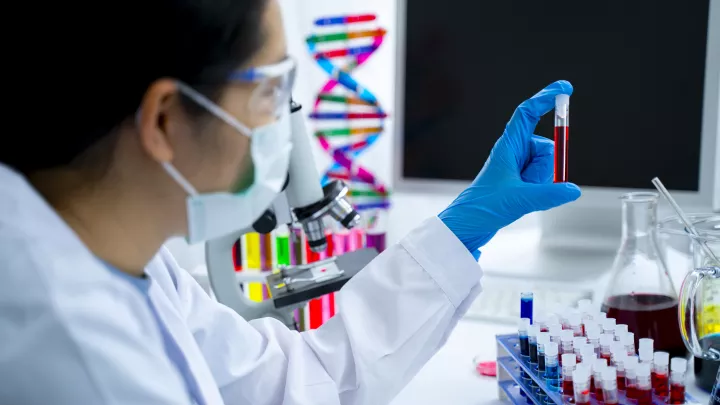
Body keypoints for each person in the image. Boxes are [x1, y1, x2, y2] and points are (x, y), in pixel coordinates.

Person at [0, 0, 581, 404]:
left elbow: (292, 385)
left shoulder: (129, 259)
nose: (284, 120)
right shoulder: (77, 359)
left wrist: (461, 228)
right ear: (164, 119)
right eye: (271, 89)